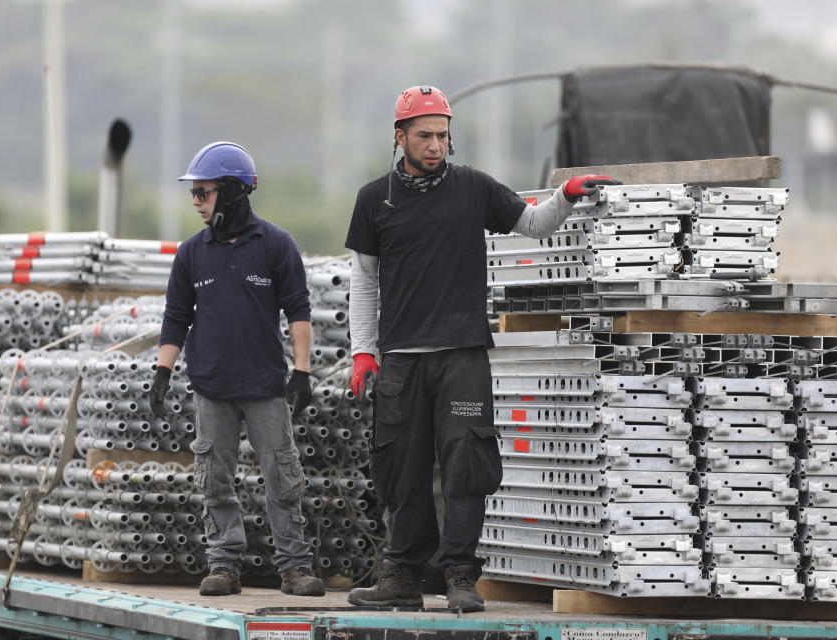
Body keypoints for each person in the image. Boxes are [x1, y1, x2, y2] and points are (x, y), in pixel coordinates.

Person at [344, 86, 619, 612]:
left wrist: (566, 193)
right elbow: (364, 280)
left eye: (443, 136)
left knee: (467, 467)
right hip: (402, 358)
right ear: (399, 137)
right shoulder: (373, 199)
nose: (435, 145)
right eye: (424, 135)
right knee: (401, 470)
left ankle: (461, 580)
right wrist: (364, 351)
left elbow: (533, 224)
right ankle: (401, 578)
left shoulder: (473, 188)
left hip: (463, 355)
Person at [149, 141, 323, 597]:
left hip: (265, 386)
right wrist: (162, 371)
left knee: (283, 479)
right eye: (194, 193)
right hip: (212, 387)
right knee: (214, 480)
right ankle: (223, 565)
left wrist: (301, 372)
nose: (195, 202)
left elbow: (298, 311)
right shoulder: (191, 254)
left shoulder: (276, 245)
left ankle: (294, 567)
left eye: (203, 192)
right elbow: (175, 317)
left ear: (230, 192)